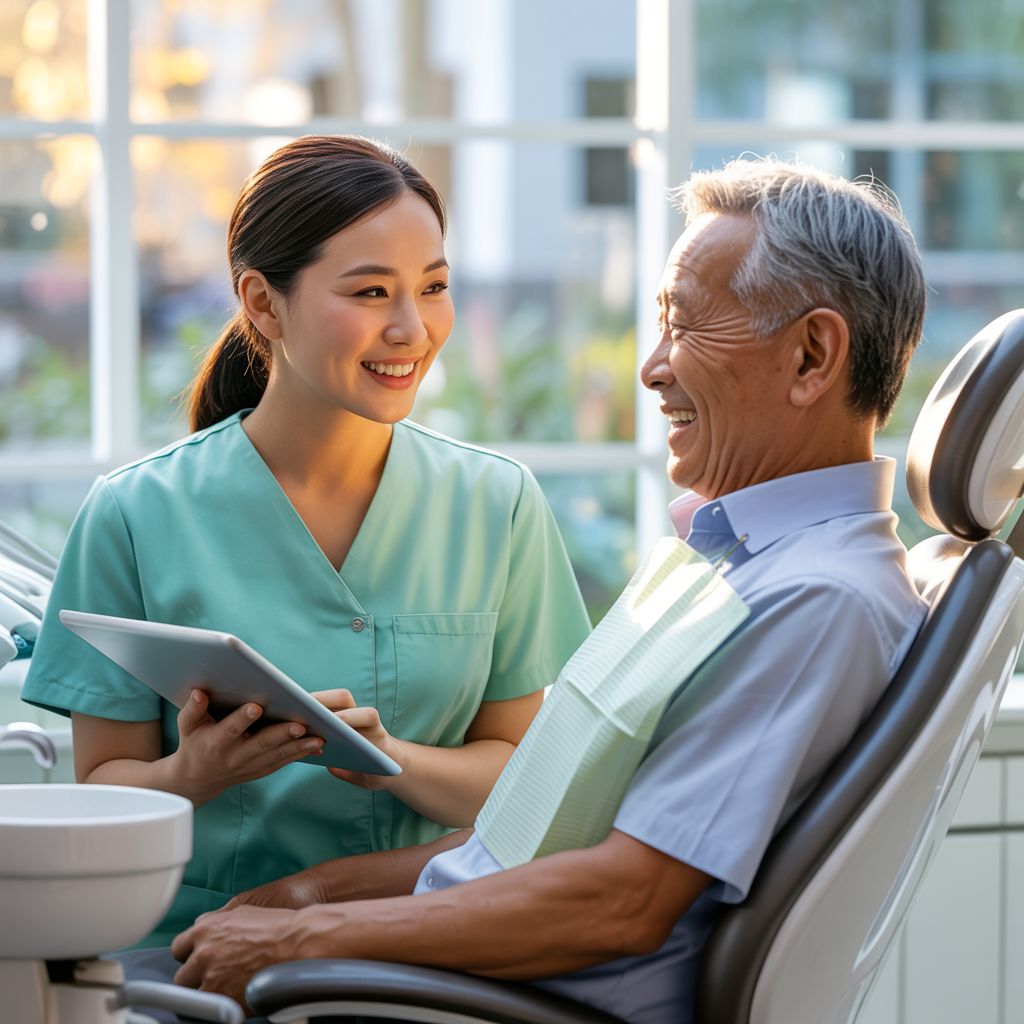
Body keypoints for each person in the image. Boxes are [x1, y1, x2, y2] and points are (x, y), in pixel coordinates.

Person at [164, 156, 929, 1024]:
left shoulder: (817, 600)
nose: (651, 367)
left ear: (812, 354)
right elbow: (527, 837)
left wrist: (301, 941)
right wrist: (310, 896)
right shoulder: (727, 564)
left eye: (684, 326)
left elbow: (621, 901)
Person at [20, 135, 592, 947]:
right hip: (187, 949)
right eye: (369, 292)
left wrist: (392, 758)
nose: (412, 329)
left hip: (422, 949)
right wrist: (197, 773)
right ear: (261, 302)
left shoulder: (496, 504)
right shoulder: (133, 514)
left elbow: (527, 782)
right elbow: (101, 792)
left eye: (433, 287)